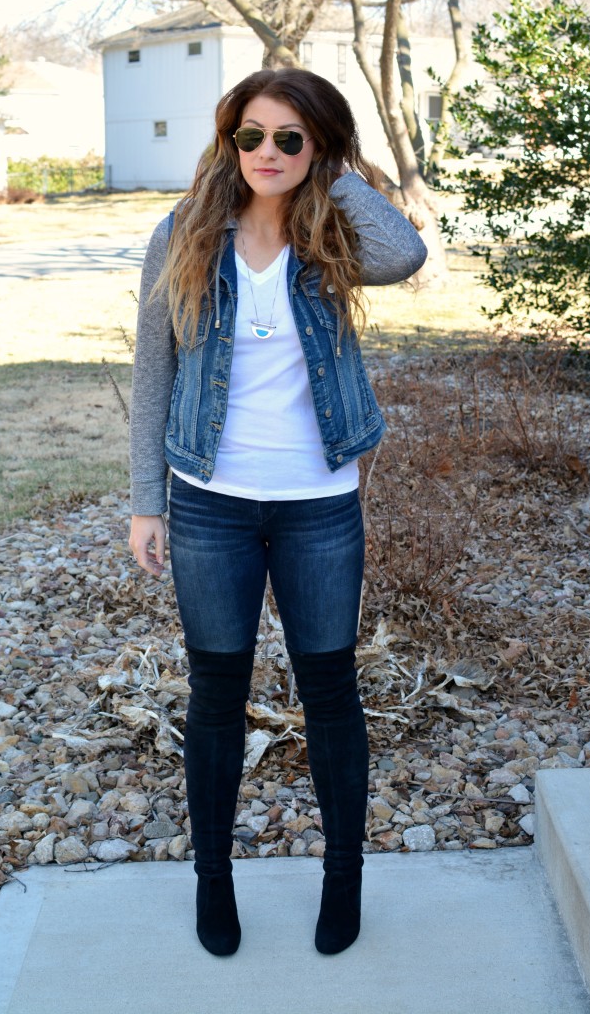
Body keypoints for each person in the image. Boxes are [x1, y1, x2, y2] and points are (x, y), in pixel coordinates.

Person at [128, 67, 427, 958]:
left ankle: (344, 881)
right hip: (210, 506)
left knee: (330, 691)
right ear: (228, 141)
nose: (266, 153)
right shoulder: (183, 233)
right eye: (249, 136)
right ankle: (212, 882)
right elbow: (154, 370)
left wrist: (330, 170)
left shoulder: (334, 232)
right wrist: (148, 502)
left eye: (289, 138)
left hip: (318, 507)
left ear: (319, 148)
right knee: (216, 693)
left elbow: (406, 254)